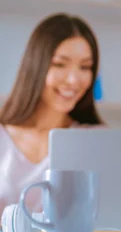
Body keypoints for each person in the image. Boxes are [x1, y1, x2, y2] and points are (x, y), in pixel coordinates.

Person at [0, 13, 103, 215]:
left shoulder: (97, 139)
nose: (73, 80)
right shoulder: (3, 137)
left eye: (85, 67)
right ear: (36, 66)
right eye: (59, 64)